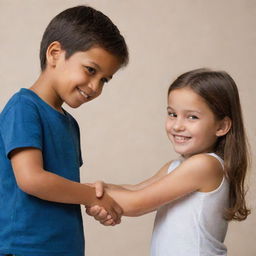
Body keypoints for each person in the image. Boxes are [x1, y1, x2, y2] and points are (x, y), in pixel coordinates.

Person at [0, 5, 128, 256]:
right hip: (25, 249)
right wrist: (92, 196)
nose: (95, 87)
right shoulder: (24, 107)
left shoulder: (70, 124)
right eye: (91, 70)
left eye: (104, 79)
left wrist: (98, 198)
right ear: (55, 54)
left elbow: (64, 188)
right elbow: (32, 179)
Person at [88, 69, 251, 255]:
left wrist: (83, 195)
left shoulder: (206, 165)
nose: (177, 125)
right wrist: (99, 188)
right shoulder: (175, 167)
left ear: (221, 126)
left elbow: (136, 203)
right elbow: (134, 190)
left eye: (192, 117)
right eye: (172, 114)